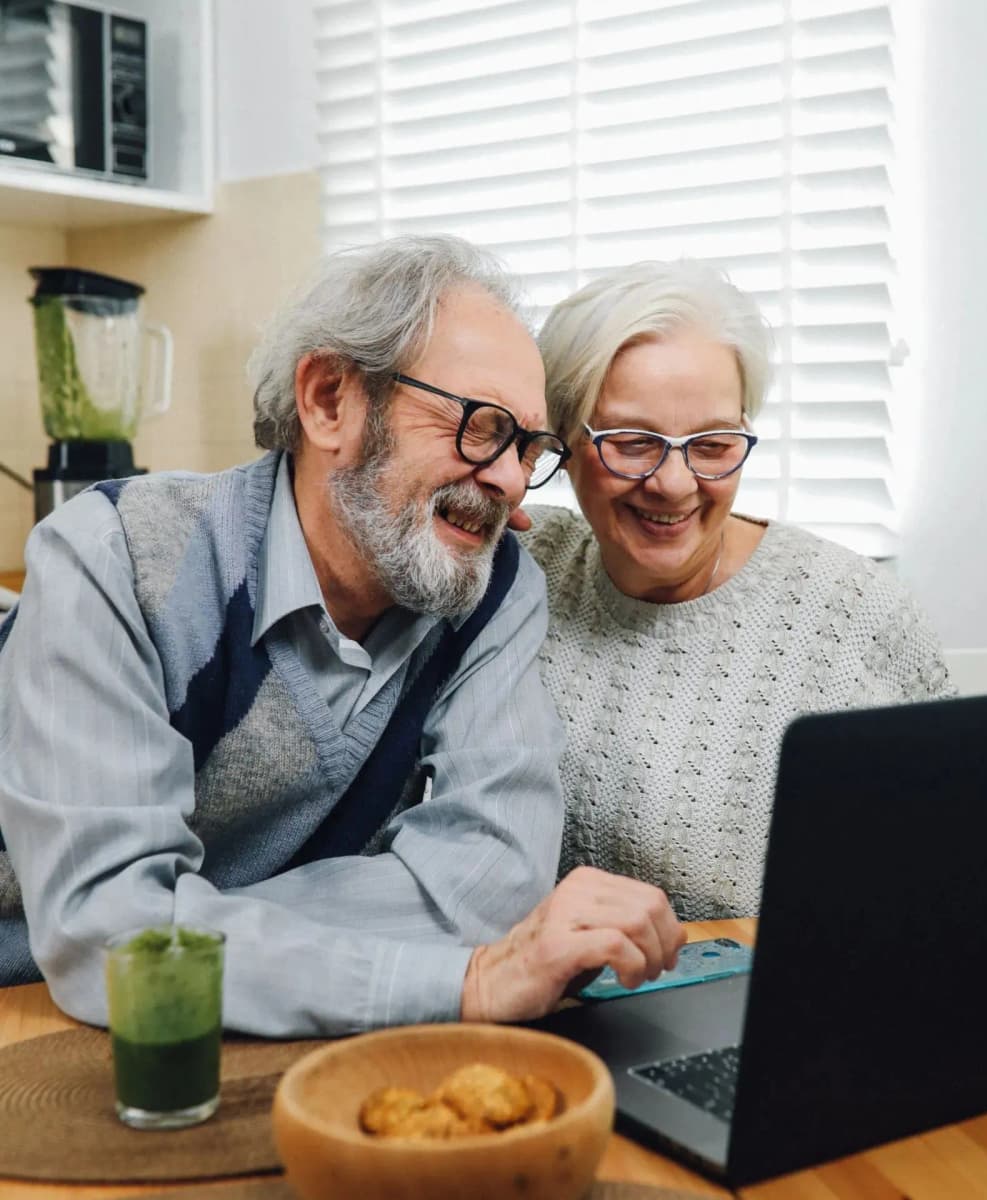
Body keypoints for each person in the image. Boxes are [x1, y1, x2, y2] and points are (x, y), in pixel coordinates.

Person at [0, 235, 683, 1036]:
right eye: (480, 426)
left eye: (527, 448)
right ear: (330, 401)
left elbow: (493, 881)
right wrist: (457, 977)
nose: (505, 478)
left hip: (246, 1026)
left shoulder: (493, 589)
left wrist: (185, 924)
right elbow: (103, 937)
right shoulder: (112, 554)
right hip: (32, 1010)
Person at [520, 259, 954, 921]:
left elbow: (948, 868)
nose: (674, 483)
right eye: (632, 443)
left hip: (765, 1000)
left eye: (714, 444)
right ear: (562, 443)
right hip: (537, 998)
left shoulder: (855, 615)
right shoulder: (520, 568)